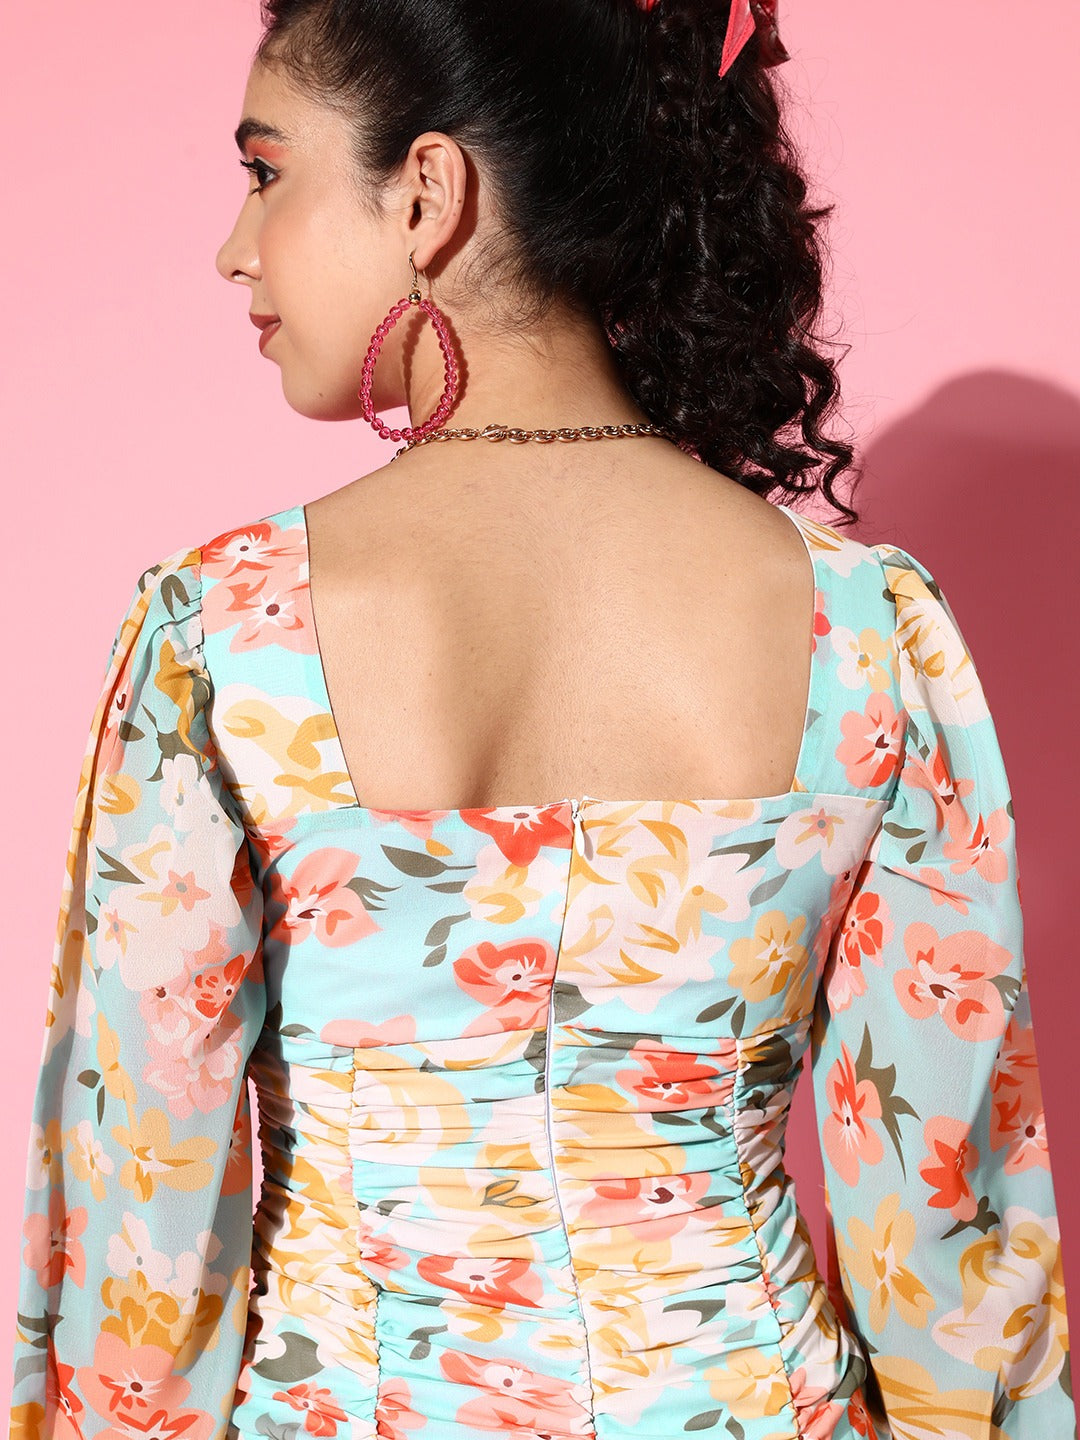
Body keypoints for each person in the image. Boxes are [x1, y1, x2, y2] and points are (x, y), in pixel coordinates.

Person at [9, 1, 1074, 1437]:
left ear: (428, 193)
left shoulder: (222, 633)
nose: (235, 248)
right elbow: (951, 1228)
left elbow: (143, 1227)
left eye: (266, 173)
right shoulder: (864, 629)